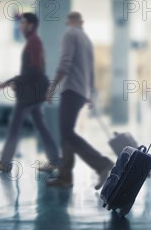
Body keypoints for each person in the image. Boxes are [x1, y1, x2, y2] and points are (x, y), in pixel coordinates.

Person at [45, 12, 114, 188]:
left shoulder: (70, 34)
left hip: (71, 90)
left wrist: (52, 88)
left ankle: (103, 164)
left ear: (70, 22)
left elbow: (65, 63)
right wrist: (90, 93)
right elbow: (91, 70)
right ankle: (65, 176)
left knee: (67, 133)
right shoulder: (87, 40)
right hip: (81, 91)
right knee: (66, 133)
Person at [0, 13, 60, 173]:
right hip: (34, 94)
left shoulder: (34, 42)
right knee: (41, 127)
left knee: (14, 126)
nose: (20, 26)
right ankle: (54, 160)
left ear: (31, 25)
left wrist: (13, 81)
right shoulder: (33, 42)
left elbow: (35, 70)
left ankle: (5, 163)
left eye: (23, 23)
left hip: (29, 96)